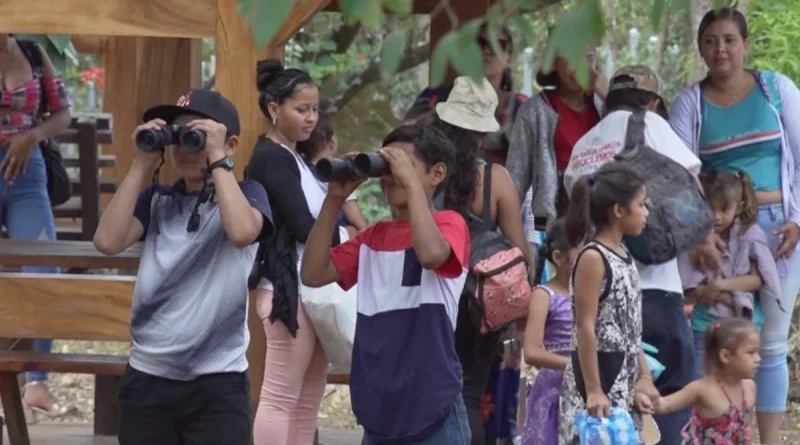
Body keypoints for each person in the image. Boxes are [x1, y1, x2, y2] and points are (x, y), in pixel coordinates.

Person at [93, 88, 272, 444]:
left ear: (230, 143)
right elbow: (107, 241)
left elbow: (240, 232)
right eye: (178, 136)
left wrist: (217, 157)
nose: (185, 148)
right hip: (148, 376)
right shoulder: (157, 200)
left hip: (217, 382)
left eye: (197, 136)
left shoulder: (250, 194)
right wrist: (142, 163)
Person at [669, 8, 800, 443]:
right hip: (720, 234)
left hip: (781, 229)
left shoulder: (777, 90)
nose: (720, 49)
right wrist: (700, 232)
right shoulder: (691, 102)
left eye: (729, 40)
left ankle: (768, 439)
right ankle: (718, 433)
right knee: (716, 334)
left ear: (745, 44)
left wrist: (798, 220)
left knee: (771, 344)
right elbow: (680, 173)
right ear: (701, 47)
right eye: (710, 41)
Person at [300, 124, 470, 445]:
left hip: (432, 407)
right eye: (387, 166)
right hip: (379, 410)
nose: (392, 175)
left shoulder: (449, 224)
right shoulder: (372, 238)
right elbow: (312, 273)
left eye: (404, 165)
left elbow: (432, 254)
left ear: (437, 174)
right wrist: (335, 199)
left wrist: (409, 183)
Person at [562, 66, 702, 445]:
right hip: (658, 291)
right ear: (653, 102)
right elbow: (692, 185)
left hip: (602, 295)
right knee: (665, 403)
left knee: (611, 418)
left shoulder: (585, 143)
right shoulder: (652, 126)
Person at [426, 76, 531, 445]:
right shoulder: (496, 179)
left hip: (429, 299)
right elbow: (520, 254)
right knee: (469, 393)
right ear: (482, 134)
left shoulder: (426, 175)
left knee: (430, 391)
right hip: (479, 307)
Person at [245, 59, 335, 445]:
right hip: (287, 289)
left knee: (307, 399)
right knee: (280, 397)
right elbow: (303, 226)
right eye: (301, 109)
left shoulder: (295, 157)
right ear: (273, 109)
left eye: (315, 109)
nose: (311, 118)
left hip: (309, 288)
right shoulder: (271, 158)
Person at [557, 162, 658, 444]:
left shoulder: (624, 255)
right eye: (641, 204)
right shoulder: (593, 257)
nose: (646, 212)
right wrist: (593, 389)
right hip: (596, 384)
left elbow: (631, 331)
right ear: (618, 210)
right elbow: (585, 326)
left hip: (621, 384)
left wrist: (644, 377)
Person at [0, 34, 73, 420]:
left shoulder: (30, 50)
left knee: (45, 270)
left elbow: (63, 114)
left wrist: (33, 135)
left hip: (27, 175)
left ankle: (37, 383)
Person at [679, 169, 780, 372]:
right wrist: (705, 293)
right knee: (702, 378)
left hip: (742, 325)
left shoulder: (750, 235)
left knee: (739, 379)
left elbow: (757, 280)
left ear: (739, 207)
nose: (716, 217)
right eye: (710, 209)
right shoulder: (695, 239)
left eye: (724, 210)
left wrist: (720, 286)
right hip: (705, 323)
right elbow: (686, 287)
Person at [506, 41, 605, 226]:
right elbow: (515, 178)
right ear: (553, 64)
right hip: (555, 221)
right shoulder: (535, 110)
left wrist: (608, 95)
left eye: (589, 59)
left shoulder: (605, 106)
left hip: (602, 217)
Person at [407, 24, 527, 166]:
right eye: (479, 43)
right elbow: (406, 137)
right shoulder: (436, 96)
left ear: (510, 59)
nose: (487, 51)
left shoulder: (522, 106)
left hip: (504, 185)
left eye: (498, 45)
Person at [654, 318, 759, 444]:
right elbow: (665, 405)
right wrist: (644, 393)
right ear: (725, 356)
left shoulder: (749, 388)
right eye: (751, 353)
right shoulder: (702, 389)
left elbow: (746, 430)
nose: (758, 358)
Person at [520, 218, 574, 445]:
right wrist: (576, 366)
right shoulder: (544, 295)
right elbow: (532, 352)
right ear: (558, 258)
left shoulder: (593, 296)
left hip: (587, 386)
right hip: (554, 391)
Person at [296, 110, 367, 231]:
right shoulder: (337, 174)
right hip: (337, 238)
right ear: (331, 141)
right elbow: (359, 224)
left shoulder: (300, 171)